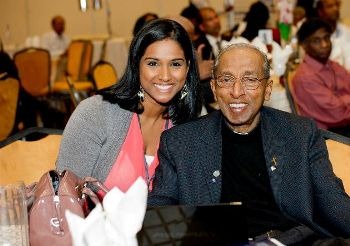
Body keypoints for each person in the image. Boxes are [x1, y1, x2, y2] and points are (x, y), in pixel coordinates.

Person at [148, 43, 350, 244]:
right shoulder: (181, 142)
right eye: (226, 80)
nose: (237, 91)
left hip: (294, 240)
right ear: (214, 88)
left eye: (250, 80)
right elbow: (158, 216)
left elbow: (332, 199)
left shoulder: (299, 133)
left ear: (267, 89)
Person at [56, 19, 201, 193]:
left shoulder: (186, 125)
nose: (165, 75)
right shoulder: (96, 114)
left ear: (188, 68)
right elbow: (65, 195)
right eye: (153, 63)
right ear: (136, 64)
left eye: (175, 64)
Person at [292, 18, 350, 137]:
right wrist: (344, 100)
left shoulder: (333, 65)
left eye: (326, 38)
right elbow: (338, 113)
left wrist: (342, 100)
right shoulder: (305, 78)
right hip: (329, 136)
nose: (325, 45)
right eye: (316, 41)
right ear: (304, 45)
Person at [317, 0, 350, 70]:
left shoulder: (347, 31)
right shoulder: (314, 35)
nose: (335, 9)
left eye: (337, 5)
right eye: (330, 6)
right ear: (320, 11)